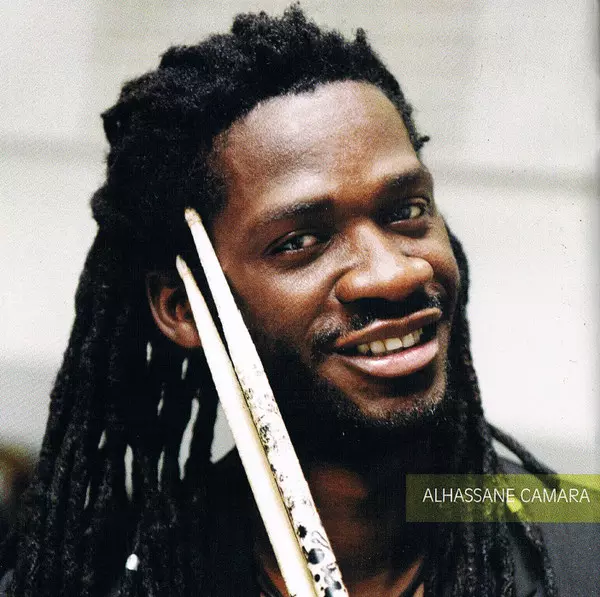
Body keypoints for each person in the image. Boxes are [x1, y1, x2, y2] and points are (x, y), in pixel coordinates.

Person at [0, 6, 596, 597]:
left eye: (407, 210)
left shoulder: (581, 528)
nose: (394, 273)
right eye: (300, 242)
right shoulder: (115, 578)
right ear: (183, 308)